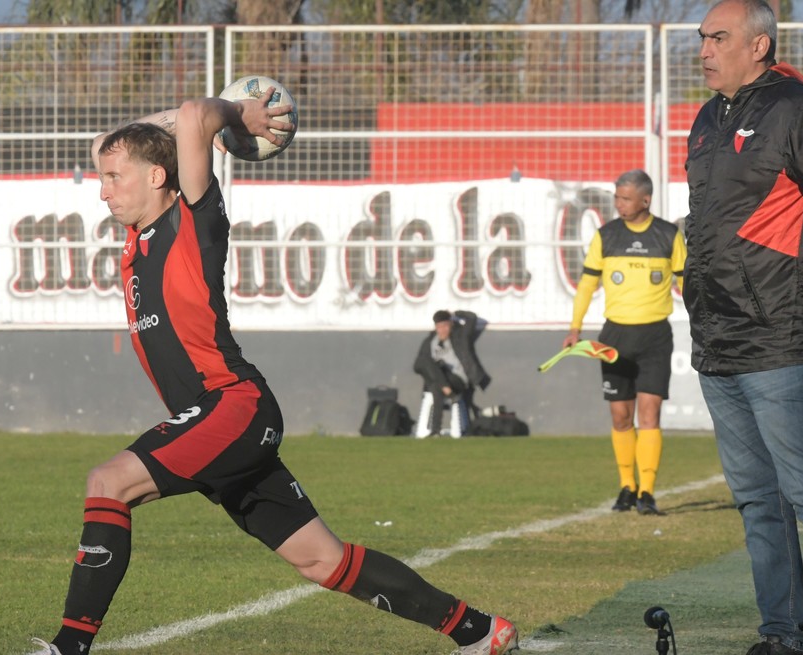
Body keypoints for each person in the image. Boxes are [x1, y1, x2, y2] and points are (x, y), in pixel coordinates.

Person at [29, 93, 517, 655]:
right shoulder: (138, 233)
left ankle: (70, 647)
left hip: (232, 405)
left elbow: (191, 116)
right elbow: (111, 141)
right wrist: (148, 139)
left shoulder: (193, 219)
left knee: (107, 483)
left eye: (114, 177)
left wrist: (237, 113)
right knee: (322, 560)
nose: (103, 188)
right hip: (214, 420)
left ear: (159, 175)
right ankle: (479, 631)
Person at [685, 1, 803, 653]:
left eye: (718, 37)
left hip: (782, 337)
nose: (704, 48)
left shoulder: (800, 112)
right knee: (757, 502)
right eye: (702, 37)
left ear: (760, 45)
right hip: (718, 343)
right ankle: (779, 633)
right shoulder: (707, 120)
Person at [564, 169, 686, 516]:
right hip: (615, 337)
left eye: (625, 198)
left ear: (645, 200)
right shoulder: (606, 236)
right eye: (617, 197)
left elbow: (686, 284)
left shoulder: (668, 235)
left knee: (650, 414)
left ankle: (647, 491)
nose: (619, 204)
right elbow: (587, 285)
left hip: (655, 337)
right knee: (620, 416)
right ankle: (626, 486)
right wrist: (575, 328)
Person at [413, 309, 490, 438]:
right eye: (439, 327)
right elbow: (418, 365)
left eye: (445, 326)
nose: (442, 330)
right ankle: (436, 430)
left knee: (436, 385)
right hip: (440, 379)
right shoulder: (431, 341)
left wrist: (455, 314)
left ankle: (435, 430)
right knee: (426, 364)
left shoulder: (460, 336)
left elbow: (472, 318)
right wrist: (441, 381)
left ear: (451, 324)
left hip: (458, 379)